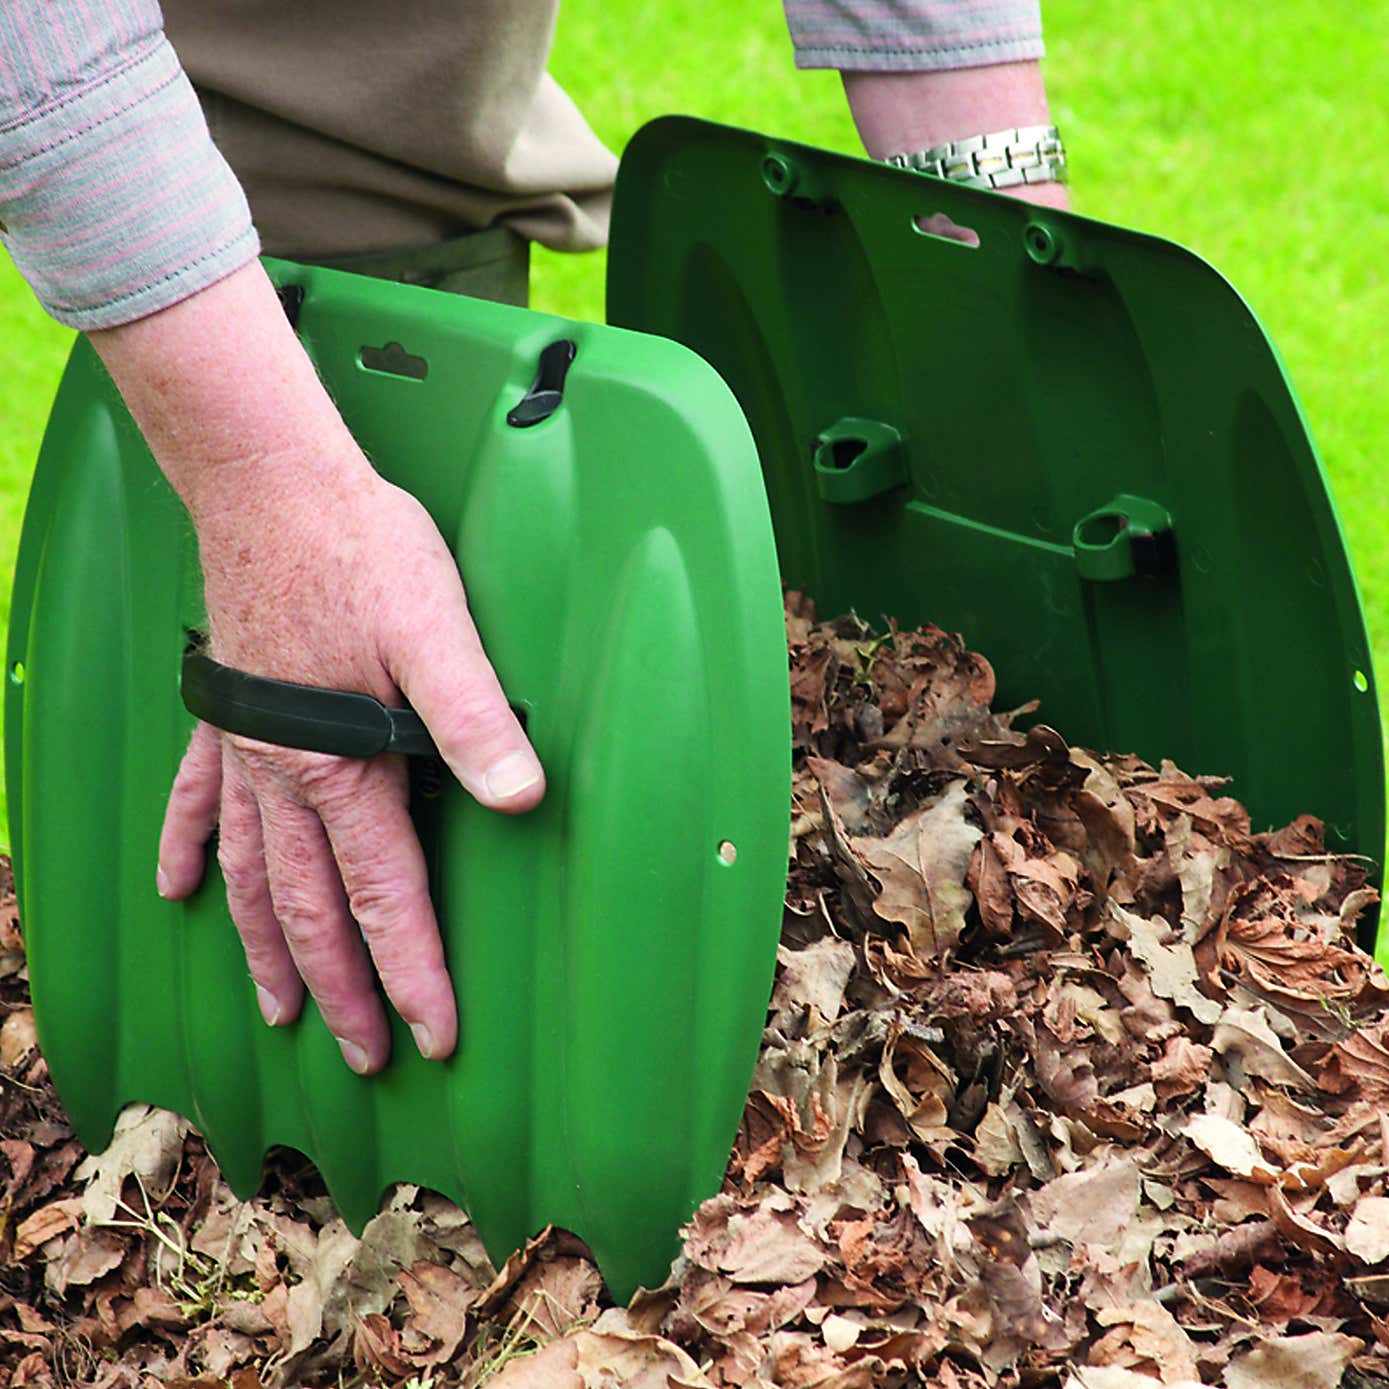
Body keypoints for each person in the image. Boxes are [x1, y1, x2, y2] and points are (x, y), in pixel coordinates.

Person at [0, 0, 1068, 1077]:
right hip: (175, 140)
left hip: (413, 165)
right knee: (307, 748)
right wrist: (263, 491)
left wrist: (991, 237)